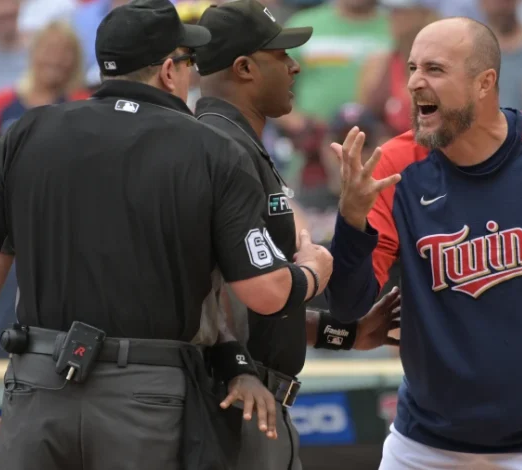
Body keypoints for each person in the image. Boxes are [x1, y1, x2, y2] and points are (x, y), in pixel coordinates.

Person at [0, 1, 334, 470]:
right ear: (169, 71)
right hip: (148, 391)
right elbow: (265, 293)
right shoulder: (209, 149)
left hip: (38, 384)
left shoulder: (26, 133)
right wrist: (312, 270)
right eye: (189, 62)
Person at [326, 17, 522, 470]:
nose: (416, 81)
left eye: (435, 69)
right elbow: (348, 303)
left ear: (485, 83)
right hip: (424, 445)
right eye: (413, 67)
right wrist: (351, 221)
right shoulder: (394, 168)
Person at [191, 2, 401, 469]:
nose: (295, 66)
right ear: (244, 68)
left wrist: (347, 335)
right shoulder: (218, 150)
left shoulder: (236, 143)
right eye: (280, 55)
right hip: (231, 400)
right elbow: (206, 293)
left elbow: (250, 304)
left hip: (252, 396)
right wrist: (314, 269)